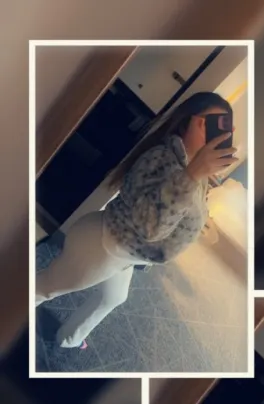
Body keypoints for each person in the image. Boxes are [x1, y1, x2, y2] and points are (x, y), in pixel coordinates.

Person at [35, 92, 237, 349]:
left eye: (224, 129)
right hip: (104, 247)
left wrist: (198, 173)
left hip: (126, 254)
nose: (215, 134)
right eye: (207, 124)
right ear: (187, 121)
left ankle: (70, 339)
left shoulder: (192, 167)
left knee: (113, 298)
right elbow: (149, 227)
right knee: (45, 288)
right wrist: (193, 175)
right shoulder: (163, 159)